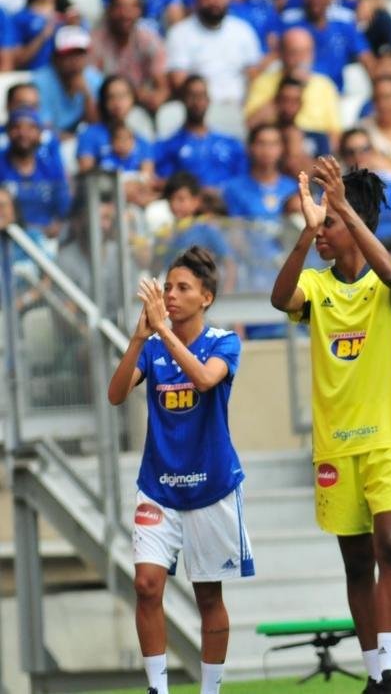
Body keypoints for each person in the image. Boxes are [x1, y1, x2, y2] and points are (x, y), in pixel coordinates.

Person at [270, 158, 391, 693]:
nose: (321, 234)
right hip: (334, 445)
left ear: (354, 220)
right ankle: (376, 674)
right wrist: (306, 233)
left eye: (328, 223)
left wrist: (344, 211)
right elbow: (279, 298)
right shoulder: (315, 283)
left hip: (389, 439)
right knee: (358, 563)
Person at [107, 248, 250, 694]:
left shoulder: (224, 342)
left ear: (206, 297)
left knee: (209, 596)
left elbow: (206, 380)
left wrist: (164, 333)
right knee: (147, 586)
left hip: (211, 488)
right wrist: (137, 337)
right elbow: (115, 395)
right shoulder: (151, 348)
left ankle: (210, 690)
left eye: (182, 288)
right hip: (158, 488)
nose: (170, 295)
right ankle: (158, 689)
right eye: (167, 287)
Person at [166, 0, 264, 105]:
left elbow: (254, 76)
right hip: (199, 110)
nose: (215, 0)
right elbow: (179, 81)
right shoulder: (180, 34)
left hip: (239, 108)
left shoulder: (243, 30)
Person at [277, 0, 374, 93]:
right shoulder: (289, 23)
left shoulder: (343, 23)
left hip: (336, 95)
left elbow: (366, 58)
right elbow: (276, 57)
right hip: (299, 95)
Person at [244, 27, 342, 140]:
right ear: (282, 53)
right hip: (277, 144)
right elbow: (250, 125)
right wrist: (284, 91)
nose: (300, 59)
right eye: (294, 52)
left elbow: (335, 133)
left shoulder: (324, 85)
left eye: (305, 52)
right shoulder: (264, 82)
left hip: (314, 144)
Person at [155, 76, 248, 190]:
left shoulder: (231, 144)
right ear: (183, 99)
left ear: (209, 100)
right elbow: (164, 181)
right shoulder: (169, 146)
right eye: (192, 95)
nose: (197, 101)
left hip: (227, 204)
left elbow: (244, 180)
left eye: (202, 96)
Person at [89, 0, 170, 114]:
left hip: (140, 108)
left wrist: (155, 99)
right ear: (109, 10)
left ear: (140, 11)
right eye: (119, 7)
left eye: (132, 7)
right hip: (105, 108)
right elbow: (91, 88)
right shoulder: (94, 42)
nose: (125, 14)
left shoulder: (149, 40)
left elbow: (162, 87)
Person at [0, 108, 70, 238]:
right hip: (6, 241)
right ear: (8, 131)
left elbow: (64, 209)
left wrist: (56, 227)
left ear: (40, 133)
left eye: (30, 128)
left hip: (47, 243)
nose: (23, 133)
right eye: (16, 127)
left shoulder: (51, 167)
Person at [77, 74, 155, 180]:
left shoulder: (142, 139)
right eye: (111, 97)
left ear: (133, 98)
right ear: (103, 102)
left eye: (123, 96)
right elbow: (86, 175)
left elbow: (147, 178)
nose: (117, 102)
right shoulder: (89, 134)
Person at [32, 25, 102, 134]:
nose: (75, 60)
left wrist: (87, 96)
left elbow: (96, 125)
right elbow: (43, 127)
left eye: (79, 54)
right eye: (69, 54)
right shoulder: (39, 82)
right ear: (56, 57)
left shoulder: (94, 79)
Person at [12, 0, 75, 72]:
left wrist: (74, 29)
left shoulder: (71, 17)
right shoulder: (20, 18)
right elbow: (16, 60)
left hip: (64, 79)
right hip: (32, 77)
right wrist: (44, 34)